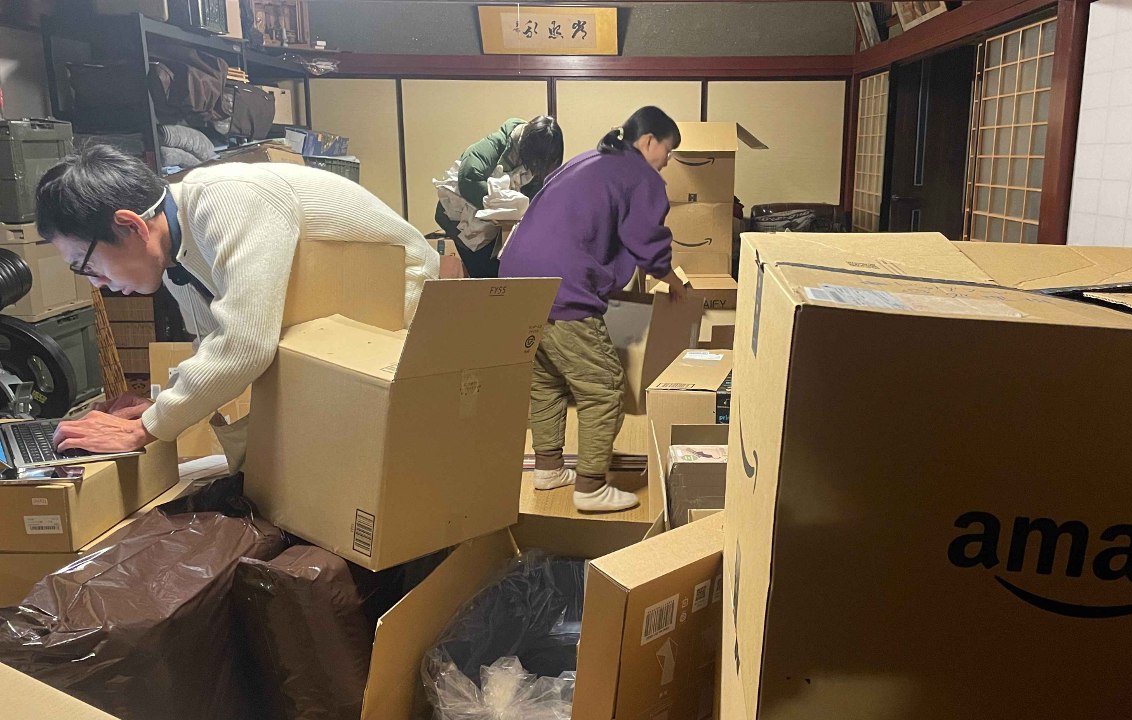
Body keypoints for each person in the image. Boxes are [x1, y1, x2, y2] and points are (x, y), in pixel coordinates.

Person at [36, 145, 438, 464]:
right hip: (334, 304)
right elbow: (215, 345)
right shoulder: (174, 252)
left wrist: (146, 428)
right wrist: (157, 407)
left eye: (85, 264)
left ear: (131, 225)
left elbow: (246, 344)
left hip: (396, 292)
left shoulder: (227, 199)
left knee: (342, 446)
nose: (96, 282)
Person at [500, 106, 690, 513]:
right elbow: (647, 241)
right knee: (604, 386)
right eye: (668, 149)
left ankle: (548, 468)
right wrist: (675, 283)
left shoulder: (591, 158)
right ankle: (591, 488)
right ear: (648, 141)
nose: (668, 160)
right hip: (561, 284)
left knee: (547, 379)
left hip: (515, 280)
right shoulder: (641, 176)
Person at [434, 116, 563, 278]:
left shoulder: (537, 160)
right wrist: (504, 208)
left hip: (495, 226)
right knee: (488, 276)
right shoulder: (496, 145)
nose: (538, 167)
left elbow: (535, 195)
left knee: (506, 272)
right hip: (462, 220)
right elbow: (469, 177)